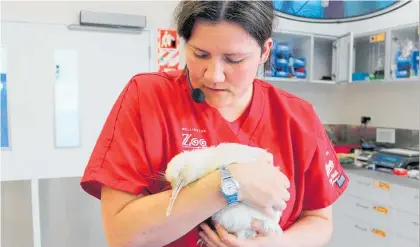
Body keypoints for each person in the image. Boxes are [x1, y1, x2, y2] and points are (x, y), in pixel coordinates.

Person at [80, 1, 349, 247]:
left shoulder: (297, 117)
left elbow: (320, 221)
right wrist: (231, 183)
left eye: (234, 60)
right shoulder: (148, 97)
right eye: (200, 54)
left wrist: (276, 245)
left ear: (265, 51)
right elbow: (121, 235)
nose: (214, 76)